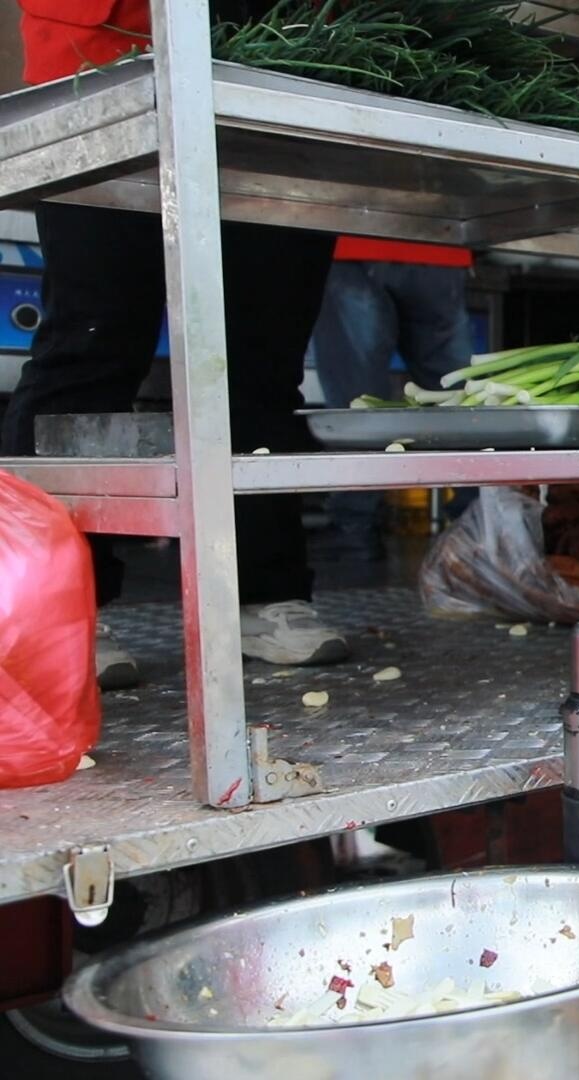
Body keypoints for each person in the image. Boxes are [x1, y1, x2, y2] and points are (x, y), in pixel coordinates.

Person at [5, 0, 348, 686]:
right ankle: (55, 607)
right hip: (104, 58)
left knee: (263, 359)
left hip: (276, 67)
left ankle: (264, 593)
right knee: (92, 343)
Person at [308, 237, 475, 561]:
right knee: (459, 396)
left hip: (353, 243)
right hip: (441, 245)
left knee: (358, 398)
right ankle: (479, 521)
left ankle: (354, 527)